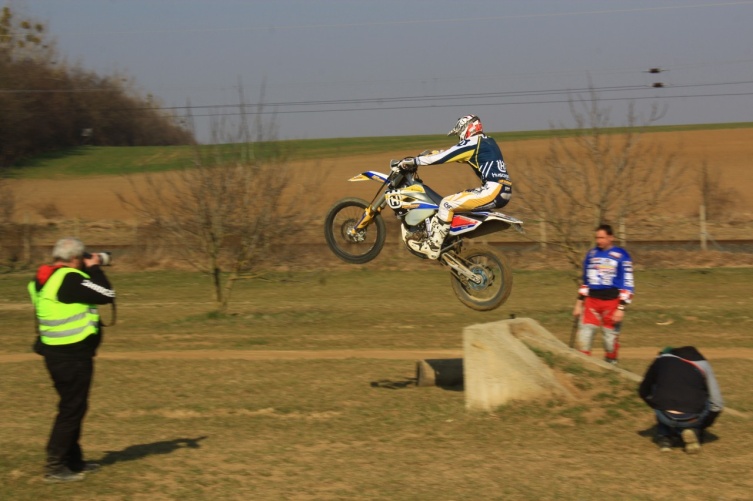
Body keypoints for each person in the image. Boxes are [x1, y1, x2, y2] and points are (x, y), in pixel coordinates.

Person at [28, 237, 116, 483]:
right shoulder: (69, 278)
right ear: (75, 259)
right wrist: (96, 266)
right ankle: (55, 466)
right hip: (72, 356)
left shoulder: (41, 279)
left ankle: (73, 461)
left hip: (55, 353)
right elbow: (107, 293)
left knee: (73, 407)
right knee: (71, 409)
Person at [394, 114, 512, 259]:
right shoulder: (488, 141)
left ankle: (433, 246)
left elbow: (444, 157)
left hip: (492, 190)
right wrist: (434, 153)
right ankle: (451, 242)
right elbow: (454, 154)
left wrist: (415, 161)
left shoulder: (473, 142)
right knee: (456, 201)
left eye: (459, 133)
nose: (459, 137)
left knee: (446, 204)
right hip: (503, 190)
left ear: (467, 128)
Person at [639, 346, 724, 454]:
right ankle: (693, 430)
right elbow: (717, 403)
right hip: (692, 417)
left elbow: (643, 391)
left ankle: (665, 438)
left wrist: (656, 404)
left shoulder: (660, 360)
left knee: (659, 391)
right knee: (706, 397)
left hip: (664, 415)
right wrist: (703, 425)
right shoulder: (703, 364)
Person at [572, 224, 634, 364]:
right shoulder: (591, 254)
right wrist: (578, 304)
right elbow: (586, 281)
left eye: (602, 237)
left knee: (609, 339)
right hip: (591, 302)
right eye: (596, 238)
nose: (598, 241)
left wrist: (621, 308)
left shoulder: (622, 255)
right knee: (584, 336)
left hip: (612, 303)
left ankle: (611, 367)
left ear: (611, 238)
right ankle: (584, 367)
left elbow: (628, 283)